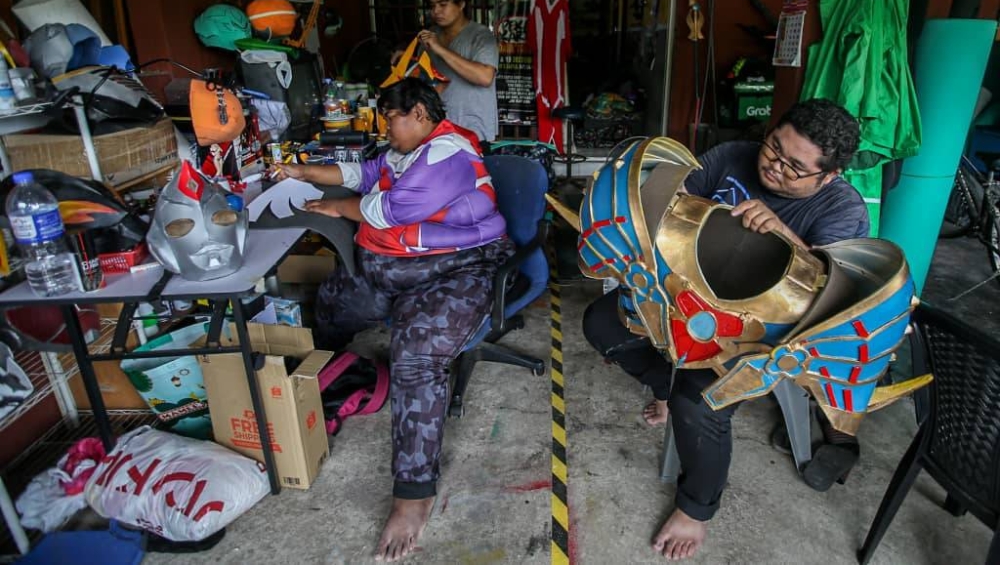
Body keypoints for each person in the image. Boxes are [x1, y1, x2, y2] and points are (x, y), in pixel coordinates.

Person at [582, 98, 869, 561]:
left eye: (794, 167)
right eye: (774, 147)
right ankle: (664, 381)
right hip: (685, 296)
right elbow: (667, 203)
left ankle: (695, 509)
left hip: (758, 331)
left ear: (827, 176)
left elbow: (832, 296)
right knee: (601, 322)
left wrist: (784, 236)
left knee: (699, 401)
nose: (774, 166)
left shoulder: (841, 208)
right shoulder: (732, 155)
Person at [269, 78, 513, 561]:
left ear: (419, 114)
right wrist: (303, 171)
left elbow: (389, 209)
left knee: (415, 355)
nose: (386, 128)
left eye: (391, 118)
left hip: (456, 270)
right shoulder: (405, 150)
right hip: (394, 271)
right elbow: (365, 173)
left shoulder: (446, 153)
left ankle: (413, 494)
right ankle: (323, 381)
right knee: (334, 300)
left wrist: (333, 205)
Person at [393, 0, 499, 144]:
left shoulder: (481, 35)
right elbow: (423, 80)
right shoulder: (429, 37)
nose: (436, 11)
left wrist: (439, 49)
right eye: (432, 6)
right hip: (438, 128)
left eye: (443, 5)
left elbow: (485, 77)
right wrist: (406, 62)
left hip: (473, 128)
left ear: (461, 4)